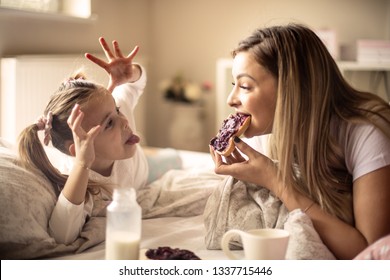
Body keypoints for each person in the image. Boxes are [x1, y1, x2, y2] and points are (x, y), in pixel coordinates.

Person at [209, 23, 390, 260]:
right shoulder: (266, 131)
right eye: (235, 85)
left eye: (245, 86)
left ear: (291, 89)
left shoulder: (367, 132)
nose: (230, 100)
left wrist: (275, 180)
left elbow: (367, 251)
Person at [18, 37, 149, 244]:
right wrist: (82, 165)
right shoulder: (82, 182)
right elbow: (62, 234)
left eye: (115, 110)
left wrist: (131, 74)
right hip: (131, 175)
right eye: (108, 124)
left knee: (166, 161)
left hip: (145, 171)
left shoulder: (121, 110)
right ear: (79, 149)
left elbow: (136, 85)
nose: (123, 120)